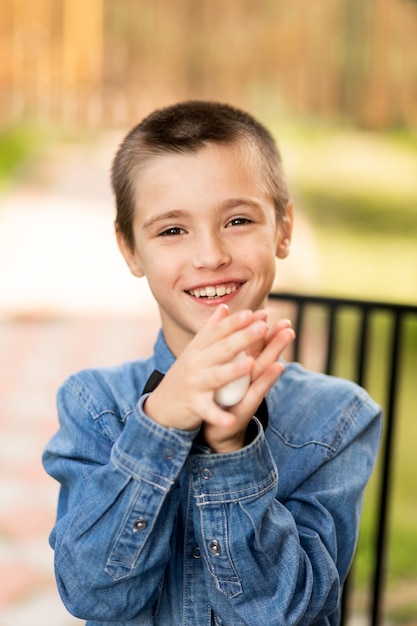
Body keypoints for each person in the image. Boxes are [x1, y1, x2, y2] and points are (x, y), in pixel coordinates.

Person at [42, 101, 382, 626]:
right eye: (172, 230)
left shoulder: (336, 418)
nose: (210, 255)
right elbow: (92, 594)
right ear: (130, 249)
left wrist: (231, 449)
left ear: (284, 229)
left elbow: (294, 613)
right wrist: (158, 426)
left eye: (238, 220)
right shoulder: (94, 404)